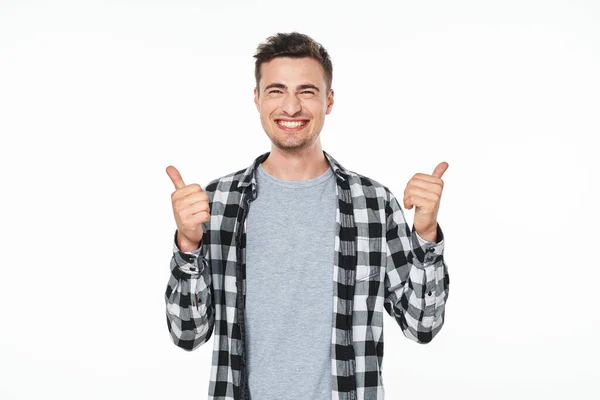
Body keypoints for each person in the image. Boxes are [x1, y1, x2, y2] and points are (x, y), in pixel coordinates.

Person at [164, 32, 450, 400]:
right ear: (257, 99)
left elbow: (422, 324)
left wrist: (425, 234)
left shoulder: (373, 204)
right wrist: (188, 244)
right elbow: (188, 333)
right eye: (276, 90)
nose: (291, 107)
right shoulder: (217, 203)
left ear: (329, 101)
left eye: (307, 91)